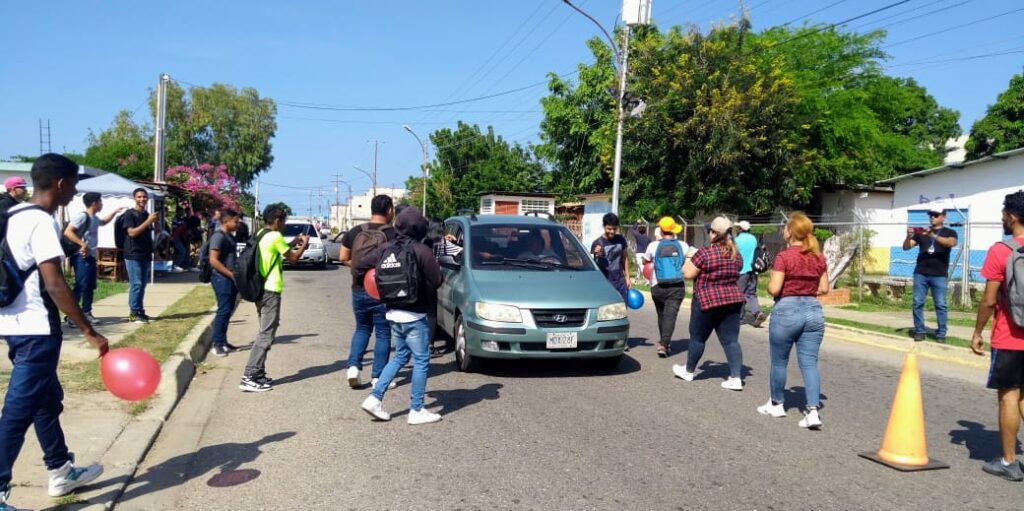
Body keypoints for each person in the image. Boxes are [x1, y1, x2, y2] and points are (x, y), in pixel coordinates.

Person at [0, 154, 109, 509]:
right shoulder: (40, 221)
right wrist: (89, 331)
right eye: (74, 183)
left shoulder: (11, 215)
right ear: (60, 183)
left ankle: (60, 469)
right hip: (37, 331)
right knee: (16, 413)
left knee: (46, 402)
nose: (76, 190)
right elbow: (55, 284)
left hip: (13, 325)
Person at [358, 207, 444, 425]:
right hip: (415, 315)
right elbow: (437, 281)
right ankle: (416, 409)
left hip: (392, 313)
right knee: (422, 360)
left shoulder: (385, 248)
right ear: (418, 228)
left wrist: (374, 286)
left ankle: (374, 398)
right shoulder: (421, 250)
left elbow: (359, 266)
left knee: (400, 356)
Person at [757, 212, 830, 430]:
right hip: (813, 310)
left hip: (787, 309)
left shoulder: (784, 256)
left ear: (790, 232)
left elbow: (775, 288)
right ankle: (813, 411)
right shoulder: (819, 257)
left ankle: (777, 404)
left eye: (785, 228)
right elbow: (825, 288)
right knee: (809, 363)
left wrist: (771, 284)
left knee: (779, 361)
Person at [971, 190, 1024, 481]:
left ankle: (1008, 462)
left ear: (1013, 217)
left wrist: (978, 331)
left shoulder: (1001, 251)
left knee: (1009, 396)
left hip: (1010, 337)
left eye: (1004, 213)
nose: (1002, 217)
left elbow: (990, 300)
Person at [239, 206, 310, 392]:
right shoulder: (275, 237)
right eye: (284, 221)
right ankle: (250, 375)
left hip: (260, 289)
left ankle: (259, 374)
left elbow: (281, 250)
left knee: (265, 331)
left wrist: (295, 240)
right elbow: (293, 258)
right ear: (277, 220)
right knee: (266, 334)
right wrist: (304, 244)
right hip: (270, 292)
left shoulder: (262, 233)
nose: (285, 225)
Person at [672, 216, 746, 390]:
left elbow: (688, 273)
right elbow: (740, 268)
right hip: (732, 300)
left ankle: (689, 371)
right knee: (731, 341)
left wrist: (689, 257)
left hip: (706, 301)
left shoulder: (704, 253)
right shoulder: (736, 254)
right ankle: (736, 377)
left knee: (698, 338)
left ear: (714, 234)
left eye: (710, 231)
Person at [339, 195, 396, 389]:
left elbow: (342, 257)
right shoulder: (393, 234)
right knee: (383, 332)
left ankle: (354, 367)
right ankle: (378, 377)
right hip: (382, 291)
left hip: (358, 288)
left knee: (362, 328)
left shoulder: (355, 231)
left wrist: (361, 270)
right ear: (389, 210)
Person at [61, 192, 123, 326]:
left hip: (90, 256)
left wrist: (114, 212)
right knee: (81, 285)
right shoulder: (81, 217)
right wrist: (82, 244)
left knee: (89, 285)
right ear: (94, 203)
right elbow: (68, 232)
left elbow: (103, 222)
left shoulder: (94, 218)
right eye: (101, 202)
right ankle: (72, 315)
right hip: (80, 256)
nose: (102, 204)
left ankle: (86, 312)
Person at [903, 203, 958, 342]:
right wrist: (908, 236)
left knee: (940, 304)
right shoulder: (921, 232)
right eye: (930, 215)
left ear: (943, 217)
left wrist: (932, 235)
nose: (932, 217)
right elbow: (906, 247)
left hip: (939, 274)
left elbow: (950, 243)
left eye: (936, 215)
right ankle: (920, 331)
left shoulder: (949, 232)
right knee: (917, 302)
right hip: (921, 273)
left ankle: (941, 334)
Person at [643, 217, 690, 358]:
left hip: (657, 285)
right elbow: (690, 258)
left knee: (661, 314)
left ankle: (664, 342)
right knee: (671, 315)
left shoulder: (653, 246)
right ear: (673, 230)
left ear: (661, 231)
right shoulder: (683, 245)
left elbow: (645, 260)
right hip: (677, 285)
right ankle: (664, 343)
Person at [119, 188, 158, 324]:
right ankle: (133, 314)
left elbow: (147, 235)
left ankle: (140, 311)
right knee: (136, 284)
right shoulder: (130, 214)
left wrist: (155, 250)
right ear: (134, 198)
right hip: (133, 253)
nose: (142, 199)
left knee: (142, 285)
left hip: (145, 253)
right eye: (139, 197)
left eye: (144, 197)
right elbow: (132, 233)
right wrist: (149, 221)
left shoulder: (146, 214)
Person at [208, 209, 241, 357]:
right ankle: (217, 344)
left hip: (229, 278)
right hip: (221, 279)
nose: (238, 224)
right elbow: (213, 260)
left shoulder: (229, 237)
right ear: (226, 221)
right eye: (236, 221)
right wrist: (230, 274)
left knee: (228, 310)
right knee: (223, 310)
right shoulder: (218, 237)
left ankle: (223, 341)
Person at [735, 220, 767, 328]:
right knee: (751, 293)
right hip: (753, 270)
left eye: (738, 227)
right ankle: (757, 312)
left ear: (740, 229)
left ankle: (739, 317)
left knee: (739, 294)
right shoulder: (753, 239)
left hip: (741, 271)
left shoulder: (737, 240)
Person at [591, 212, 630, 300]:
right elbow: (595, 265)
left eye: (614, 229)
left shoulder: (621, 239)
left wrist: (627, 278)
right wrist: (597, 255)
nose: (612, 231)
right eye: (609, 229)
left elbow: (625, 258)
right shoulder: (597, 243)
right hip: (605, 282)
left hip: (620, 281)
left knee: (622, 308)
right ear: (604, 226)